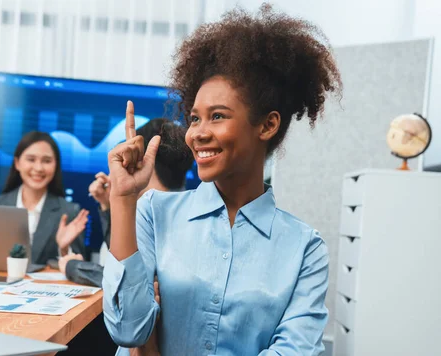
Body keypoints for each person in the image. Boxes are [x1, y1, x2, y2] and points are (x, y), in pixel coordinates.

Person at [103, 4, 342, 356]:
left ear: (267, 125)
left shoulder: (304, 248)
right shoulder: (155, 212)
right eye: (195, 118)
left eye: (217, 116)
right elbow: (128, 330)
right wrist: (122, 200)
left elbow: (295, 351)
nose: (197, 133)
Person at [58, 118, 194, 287]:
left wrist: (74, 267)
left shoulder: (157, 215)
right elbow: (121, 260)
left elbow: (130, 282)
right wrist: (109, 206)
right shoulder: (182, 208)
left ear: (147, 157)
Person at [0, 131, 88, 265]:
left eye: (46, 161)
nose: (38, 168)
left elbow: (81, 269)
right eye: (31, 159)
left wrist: (64, 249)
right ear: (17, 163)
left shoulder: (69, 212)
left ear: (55, 165)